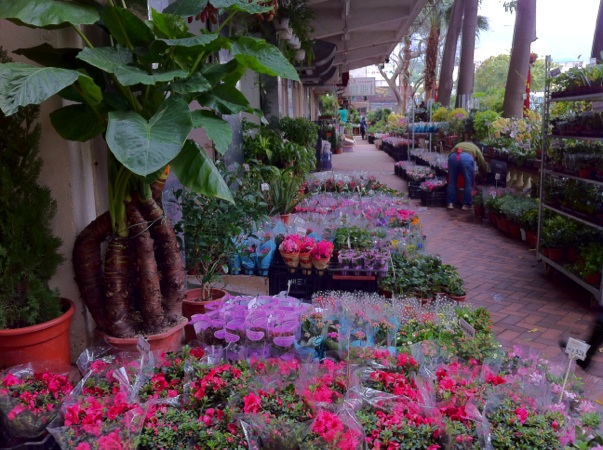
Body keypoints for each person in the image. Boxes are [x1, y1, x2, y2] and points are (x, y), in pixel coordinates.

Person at [446, 141, 488, 210]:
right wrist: (484, 174)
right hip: (466, 159)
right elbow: (481, 162)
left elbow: (450, 154)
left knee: (452, 182)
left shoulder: (459, 144)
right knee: (468, 182)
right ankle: (466, 205)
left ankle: (450, 203)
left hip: (453, 157)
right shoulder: (475, 147)